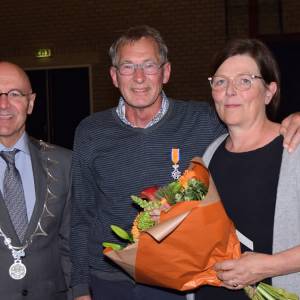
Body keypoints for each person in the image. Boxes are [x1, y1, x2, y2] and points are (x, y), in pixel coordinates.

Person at [70, 26, 300, 300]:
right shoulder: (90, 131)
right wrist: (80, 288)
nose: (140, 77)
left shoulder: (206, 123)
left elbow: (251, 120)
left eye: (149, 66)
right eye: (128, 67)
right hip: (108, 280)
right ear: (114, 76)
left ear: (166, 72)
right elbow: (81, 217)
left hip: (174, 283)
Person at [195, 38, 300, 299]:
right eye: (220, 82)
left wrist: (267, 266)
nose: (230, 91)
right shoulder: (210, 155)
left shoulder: (294, 149)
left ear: (269, 91)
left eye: (244, 81)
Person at [0, 61, 72, 300]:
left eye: (14, 94)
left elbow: (71, 242)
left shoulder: (65, 163)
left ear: (30, 103)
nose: (3, 104)